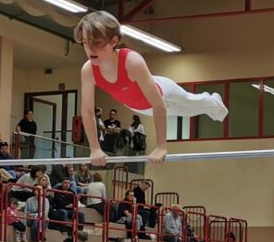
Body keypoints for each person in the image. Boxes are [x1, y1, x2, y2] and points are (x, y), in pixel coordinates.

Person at [74, 10, 227, 166]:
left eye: (97, 43)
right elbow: (87, 111)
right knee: (187, 113)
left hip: (162, 90)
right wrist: (94, 148)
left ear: (114, 41)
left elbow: (158, 104)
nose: (90, 49)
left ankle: (213, 101)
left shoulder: (132, 61)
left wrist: (161, 146)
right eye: (85, 42)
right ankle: (211, 104)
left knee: (192, 103)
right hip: (139, 106)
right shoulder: (88, 71)